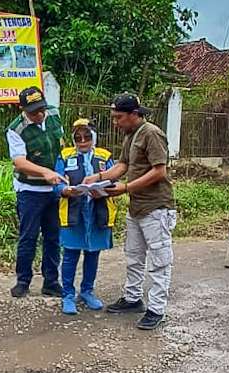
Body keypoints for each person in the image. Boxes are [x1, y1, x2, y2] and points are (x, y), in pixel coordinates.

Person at [83, 93, 176, 330]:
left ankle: (157, 309)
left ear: (134, 114)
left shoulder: (152, 133)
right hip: (137, 207)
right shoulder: (131, 135)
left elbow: (159, 172)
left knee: (158, 261)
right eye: (113, 118)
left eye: (119, 117)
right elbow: (123, 165)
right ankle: (133, 298)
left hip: (156, 207)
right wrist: (99, 178)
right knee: (133, 256)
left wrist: (125, 188)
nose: (115, 122)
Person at [6, 86, 67, 298]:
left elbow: (62, 146)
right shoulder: (16, 130)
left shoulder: (54, 115)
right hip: (30, 190)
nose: (39, 115)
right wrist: (45, 172)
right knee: (28, 237)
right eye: (33, 112)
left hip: (54, 189)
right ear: (22, 109)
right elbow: (20, 162)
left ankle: (51, 281)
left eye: (41, 109)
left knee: (53, 236)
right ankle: (23, 281)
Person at [53, 119, 116, 315]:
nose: (82, 141)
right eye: (78, 137)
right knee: (70, 254)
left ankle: (87, 291)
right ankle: (68, 295)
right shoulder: (64, 156)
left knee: (92, 253)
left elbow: (115, 180)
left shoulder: (105, 157)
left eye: (87, 137)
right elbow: (56, 183)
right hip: (73, 212)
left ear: (94, 137)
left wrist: (104, 188)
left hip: (98, 212)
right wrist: (66, 190)